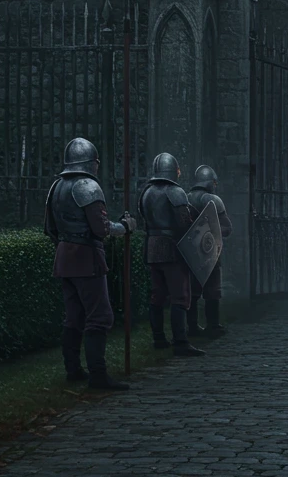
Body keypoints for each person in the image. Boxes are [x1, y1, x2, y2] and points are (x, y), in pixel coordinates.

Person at [43, 136, 135, 391]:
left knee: (74, 317)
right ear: (91, 162)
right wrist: (125, 227)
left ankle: (73, 370)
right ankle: (98, 375)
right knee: (99, 316)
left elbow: (49, 228)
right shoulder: (87, 186)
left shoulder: (56, 186)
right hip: (86, 258)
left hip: (64, 256)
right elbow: (101, 228)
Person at [137, 153, 205, 358]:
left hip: (152, 245)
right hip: (171, 248)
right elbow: (184, 223)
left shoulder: (146, 192)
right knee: (180, 295)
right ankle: (180, 342)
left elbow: (142, 220)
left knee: (157, 295)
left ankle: (159, 338)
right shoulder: (175, 191)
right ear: (173, 170)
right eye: (177, 170)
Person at [186, 164, 233, 338]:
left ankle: (193, 327)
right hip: (209, 251)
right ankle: (211, 326)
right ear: (212, 182)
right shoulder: (213, 200)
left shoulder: (184, 198)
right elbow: (226, 228)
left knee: (193, 291)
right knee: (211, 290)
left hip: (190, 252)